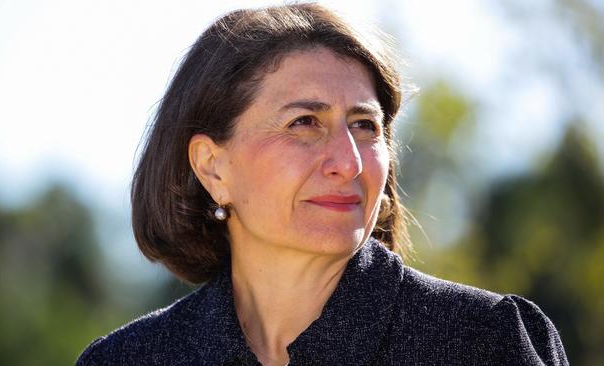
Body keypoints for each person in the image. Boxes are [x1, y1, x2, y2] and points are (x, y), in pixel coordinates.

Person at [76, 4, 568, 365]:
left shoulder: (484, 343)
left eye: (364, 126)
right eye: (305, 123)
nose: (348, 162)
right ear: (212, 167)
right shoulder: (128, 359)